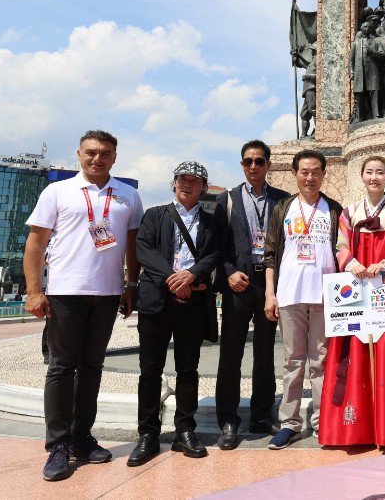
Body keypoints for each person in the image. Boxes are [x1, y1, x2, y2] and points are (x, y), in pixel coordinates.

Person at [23, 130, 144, 481]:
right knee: (61, 367)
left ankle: (81, 435)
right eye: (91, 152)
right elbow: (36, 242)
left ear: (114, 157)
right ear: (79, 154)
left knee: (92, 366)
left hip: (107, 292)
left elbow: (133, 244)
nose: (98, 158)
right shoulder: (57, 191)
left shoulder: (128, 195)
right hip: (65, 291)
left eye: (105, 153)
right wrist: (34, 291)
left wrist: (131, 284)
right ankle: (57, 445)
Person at [318, 156, 385, 446]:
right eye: (369, 172)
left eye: (380, 172)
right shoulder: (349, 211)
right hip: (358, 288)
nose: (374, 177)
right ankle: (359, 428)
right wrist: (351, 263)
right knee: (356, 349)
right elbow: (340, 244)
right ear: (362, 176)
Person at [129, 161, 224, 465]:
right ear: (173, 183)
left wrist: (192, 274)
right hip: (157, 301)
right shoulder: (155, 215)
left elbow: (215, 254)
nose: (187, 184)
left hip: (192, 302)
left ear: (203, 188)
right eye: (182, 179)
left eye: (194, 181)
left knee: (188, 369)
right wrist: (173, 278)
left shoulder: (211, 222)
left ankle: (185, 429)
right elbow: (143, 249)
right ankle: (147, 434)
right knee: (150, 370)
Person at [262, 149, 343, 449]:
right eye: (304, 171)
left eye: (316, 171)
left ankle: (324, 422)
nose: (310, 177)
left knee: (321, 363)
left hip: (325, 297)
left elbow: (343, 252)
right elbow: (270, 254)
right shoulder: (283, 208)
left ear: (324, 174)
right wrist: (270, 294)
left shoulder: (334, 209)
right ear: (295, 174)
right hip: (290, 294)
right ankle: (290, 423)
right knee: (293, 361)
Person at [213, 140, 290, 449]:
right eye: (248, 161)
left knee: (264, 351)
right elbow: (217, 245)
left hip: (268, 284)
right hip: (238, 284)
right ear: (242, 165)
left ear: (268, 164)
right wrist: (229, 271)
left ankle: (260, 414)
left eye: (259, 161)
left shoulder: (282, 200)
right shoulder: (226, 200)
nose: (254, 166)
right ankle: (228, 420)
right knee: (230, 353)